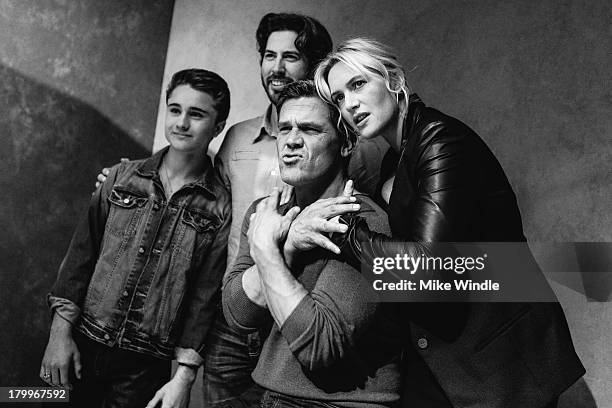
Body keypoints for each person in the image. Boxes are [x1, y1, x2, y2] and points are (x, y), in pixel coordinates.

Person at [302, 38, 585, 408]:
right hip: (446, 358)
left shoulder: (441, 140)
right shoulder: (396, 158)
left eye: (357, 85)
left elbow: (425, 268)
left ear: (393, 78)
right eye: (338, 98)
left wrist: (346, 228)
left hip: (503, 360)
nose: (349, 104)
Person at [40, 69, 231, 408]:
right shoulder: (121, 178)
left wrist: (184, 376)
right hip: (83, 341)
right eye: (175, 109)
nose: (182, 122)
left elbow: (205, 297)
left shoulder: (219, 208)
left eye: (196, 114)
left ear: (217, 127)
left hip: (144, 365)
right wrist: (59, 335)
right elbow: (80, 259)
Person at [222, 80, 402, 407]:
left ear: (345, 143)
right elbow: (238, 315)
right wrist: (287, 245)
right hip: (273, 396)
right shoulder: (266, 212)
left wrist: (266, 249)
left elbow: (320, 347)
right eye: (284, 128)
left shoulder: (367, 223)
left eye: (309, 130)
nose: (290, 141)